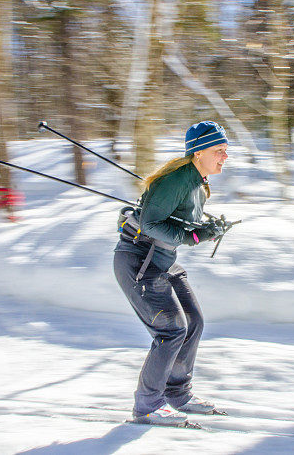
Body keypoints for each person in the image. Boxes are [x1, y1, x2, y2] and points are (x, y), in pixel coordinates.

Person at [114, 121, 229, 426]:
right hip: (140, 261)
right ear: (199, 152)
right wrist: (194, 237)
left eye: (225, 150)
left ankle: (178, 394)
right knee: (171, 330)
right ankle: (148, 406)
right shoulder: (177, 179)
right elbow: (150, 225)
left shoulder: (196, 182)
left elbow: (178, 221)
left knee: (193, 322)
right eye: (219, 150)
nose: (225, 156)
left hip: (162, 260)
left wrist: (207, 228)